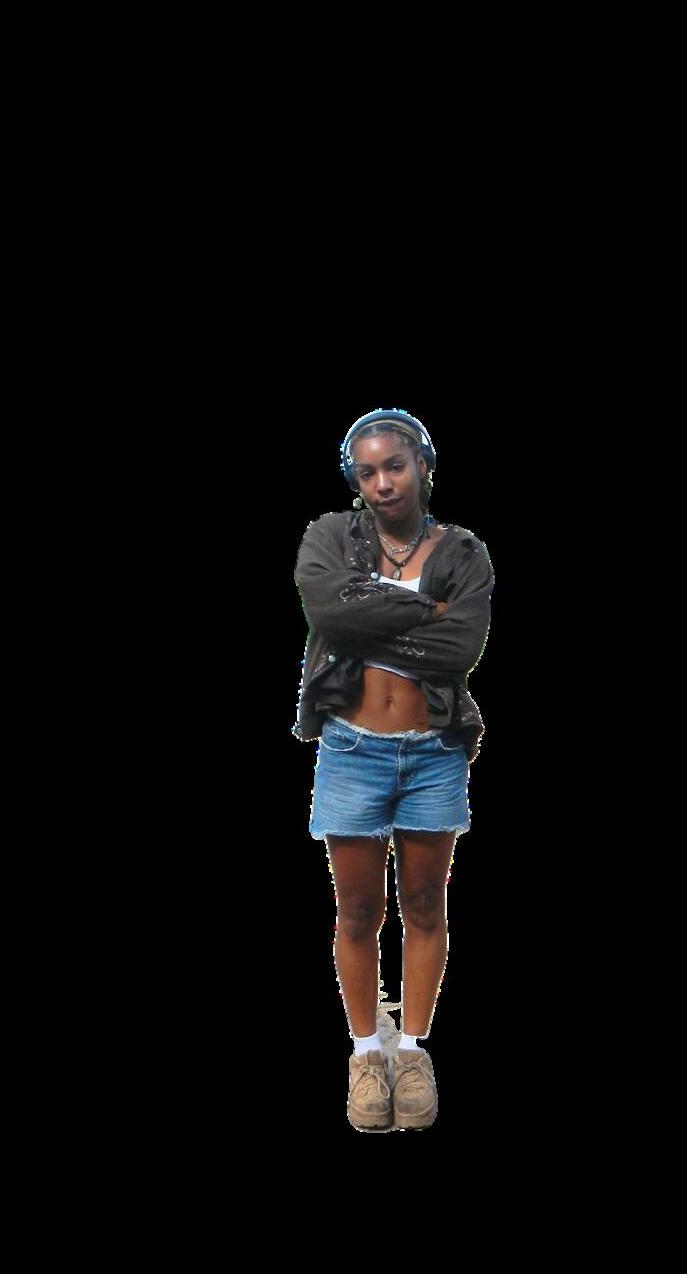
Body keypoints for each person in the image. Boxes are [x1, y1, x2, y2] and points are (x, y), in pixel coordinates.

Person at [291, 408, 494, 1132]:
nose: (383, 482)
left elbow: (459, 648)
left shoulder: (462, 552)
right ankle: (363, 1053)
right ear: (356, 478)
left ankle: (411, 1049)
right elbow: (329, 613)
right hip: (353, 751)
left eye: (395, 466)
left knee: (426, 905)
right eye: (368, 470)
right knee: (356, 911)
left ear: (423, 466)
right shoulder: (330, 537)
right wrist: (421, 611)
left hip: (433, 753)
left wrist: (368, 618)